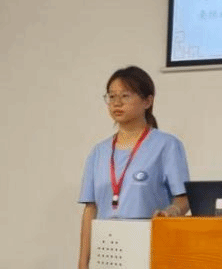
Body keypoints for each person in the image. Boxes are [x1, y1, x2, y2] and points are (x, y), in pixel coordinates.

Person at [77, 66, 190, 269]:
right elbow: (90, 210)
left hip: (148, 249)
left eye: (125, 96)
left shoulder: (166, 145)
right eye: (112, 96)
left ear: (147, 101)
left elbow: (184, 198)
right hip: (106, 252)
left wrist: (171, 211)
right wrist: (83, 263)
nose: (117, 103)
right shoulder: (98, 152)